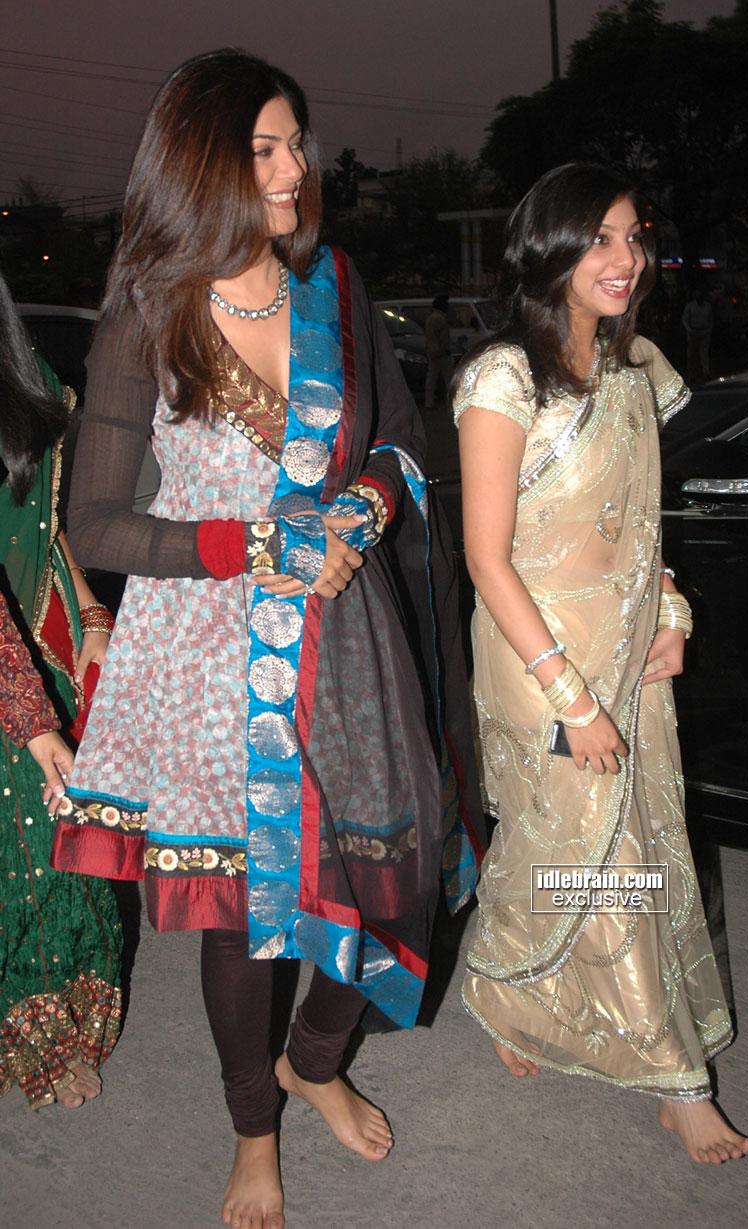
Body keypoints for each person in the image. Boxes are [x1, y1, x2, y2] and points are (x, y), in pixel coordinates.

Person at [50, 49, 484, 1229]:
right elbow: (94, 518)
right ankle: (254, 1128)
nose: (297, 167)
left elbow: (396, 445)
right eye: (266, 148)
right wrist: (253, 542)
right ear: (203, 163)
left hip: (345, 643)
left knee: (399, 869)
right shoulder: (149, 308)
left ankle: (315, 1055)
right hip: (203, 660)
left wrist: (355, 510)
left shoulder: (332, 286)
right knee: (241, 910)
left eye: (296, 142)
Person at [453, 163, 748, 1166]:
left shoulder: (636, 373)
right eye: (598, 238)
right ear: (547, 251)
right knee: (609, 849)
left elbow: (639, 525)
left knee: (618, 840)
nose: (623, 258)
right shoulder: (502, 377)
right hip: (536, 655)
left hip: (626, 651)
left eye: (632, 235)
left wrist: (667, 611)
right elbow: (484, 558)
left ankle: (509, 983)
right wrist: (569, 696)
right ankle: (672, 1078)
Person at [0, 273, 121, 1109]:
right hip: (9, 670)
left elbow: (44, 519)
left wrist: (86, 607)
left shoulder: (32, 374)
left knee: (56, 848)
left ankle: (59, 1025)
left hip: (36, 635)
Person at [424, 294, 452, 409]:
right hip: (442, 352)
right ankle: (450, 403)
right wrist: (446, 349)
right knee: (448, 379)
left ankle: (428, 402)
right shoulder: (441, 319)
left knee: (431, 379)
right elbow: (444, 338)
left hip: (432, 351)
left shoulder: (430, 318)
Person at [681, 286, 713, 384]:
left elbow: (711, 319)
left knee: (704, 354)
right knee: (692, 355)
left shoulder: (708, 306)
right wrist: (689, 330)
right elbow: (685, 319)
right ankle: (692, 375)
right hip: (693, 332)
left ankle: (706, 373)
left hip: (704, 332)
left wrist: (709, 330)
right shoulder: (690, 306)